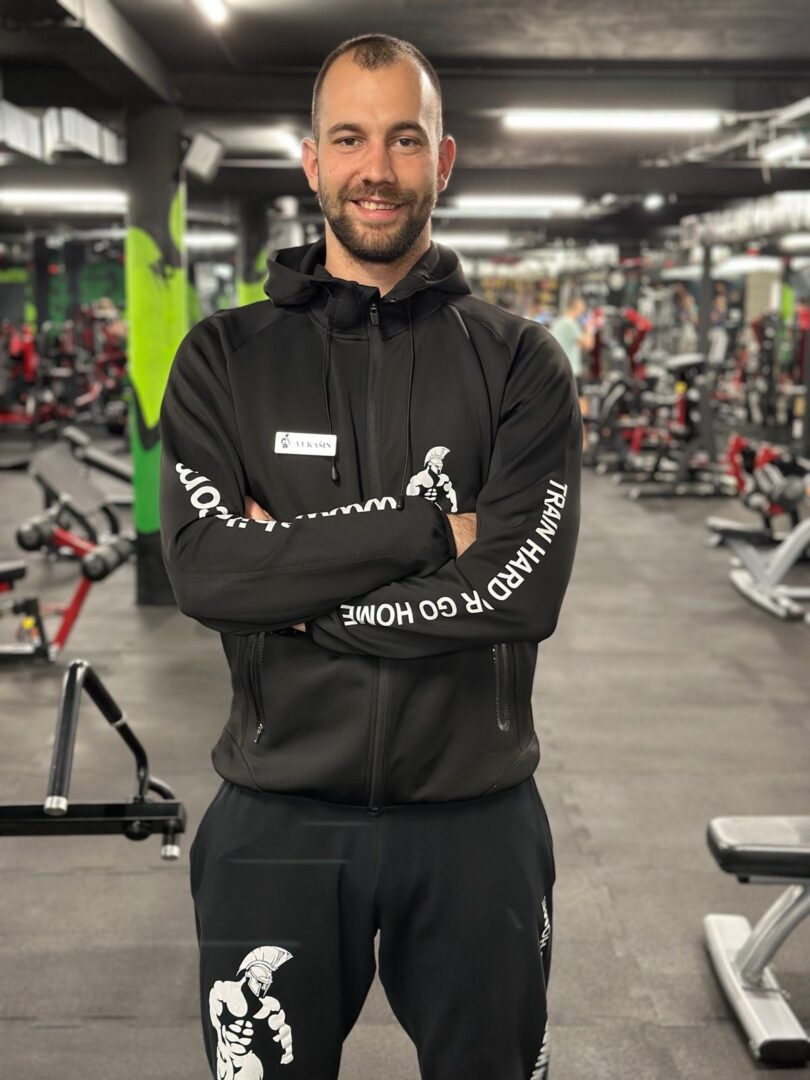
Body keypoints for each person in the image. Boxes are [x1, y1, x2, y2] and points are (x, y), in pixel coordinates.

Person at [159, 32, 581, 1080]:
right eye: (349, 138)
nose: (376, 168)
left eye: (404, 138)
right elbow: (206, 570)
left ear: (444, 159)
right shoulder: (223, 358)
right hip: (277, 822)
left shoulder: (520, 361)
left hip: (476, 825)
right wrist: (433, 531)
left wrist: (303, 599)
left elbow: (519, 590)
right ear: (312, 161)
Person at [549, 294, 595, 391]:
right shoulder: (570, 323)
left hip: (560, 369)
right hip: (571, 370)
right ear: (577, 308)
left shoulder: (559, 321)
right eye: (582, 308)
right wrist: (589, 328)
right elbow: (588, 345)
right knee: (580, 399)